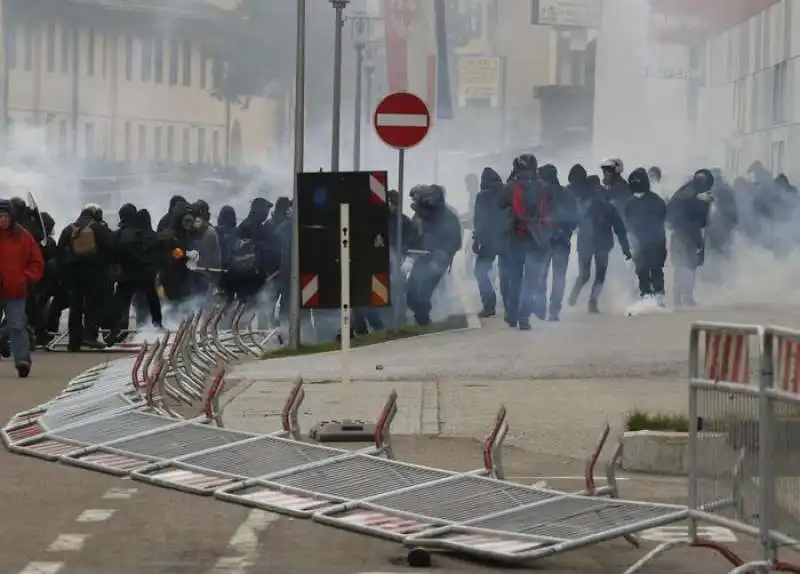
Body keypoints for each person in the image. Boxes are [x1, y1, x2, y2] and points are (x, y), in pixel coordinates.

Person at [499, 154, 554, 329]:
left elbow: (500, 203)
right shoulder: (543, 187)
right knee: (531, 281)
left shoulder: (511, 186)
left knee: (515, 278)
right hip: (537, 238)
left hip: (516, 236)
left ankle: (512, 315)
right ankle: (524, 318)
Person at [568, 170, 632, 313]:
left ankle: (572, 297)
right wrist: (626, 250)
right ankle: (592, 302)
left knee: (584, 274)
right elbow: (620, 230)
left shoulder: (582, 206)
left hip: (585, 244)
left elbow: (571, 225)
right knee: (600, 275)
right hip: (602, 245)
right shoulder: (609, 207)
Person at [57, 204, 114, 350]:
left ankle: (74, 341)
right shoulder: (99, 228)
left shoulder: (69, 229)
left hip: (73, 273)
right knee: (93, 305)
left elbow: (60, 252)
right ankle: (90, 336)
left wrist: (63, 272)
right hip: (94, 272)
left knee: (75, 306)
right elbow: (113, 246)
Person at [0, 199, 44, 377]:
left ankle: (22, 361)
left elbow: (37, 262)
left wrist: (25, 278)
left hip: (16, 290)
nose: (2, 220)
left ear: (11, 217)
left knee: (17, 326)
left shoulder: (24, 237)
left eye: (4, 216)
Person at [667, 169, 713, 307]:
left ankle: (685, 295)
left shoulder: (690, 192)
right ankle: (681, 296)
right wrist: (698, 198)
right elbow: (679, 203)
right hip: (686, 233)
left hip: (686, 233)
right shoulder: (688, 193)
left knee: (688, 265)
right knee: (685, 265)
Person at [539, 163, 577, 321]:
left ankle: (541, 308)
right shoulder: (567, 193)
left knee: (540, 276)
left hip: (543, 241)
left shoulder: (540, 194)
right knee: (559, 276)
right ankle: (554, 310)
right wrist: (566, 232)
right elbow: (576, 217)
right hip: (562, 241)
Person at [625, 168, 668, 306]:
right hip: (640, 243)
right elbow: (628, 223)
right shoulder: (630, 202)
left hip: (655, 242)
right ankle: (646, 296)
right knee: (642, 270)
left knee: (655, 269)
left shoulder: (657, 201)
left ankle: (659, 296)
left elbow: (660, 219)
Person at [471, 167, 507, 318]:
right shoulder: (508, 192)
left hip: (489, 240)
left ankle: (489, 304)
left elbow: (479, 220)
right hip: (507, 238)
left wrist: (476, 239)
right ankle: (510, 303)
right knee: (507, 272)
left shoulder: (482, 196)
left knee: (480, 271)